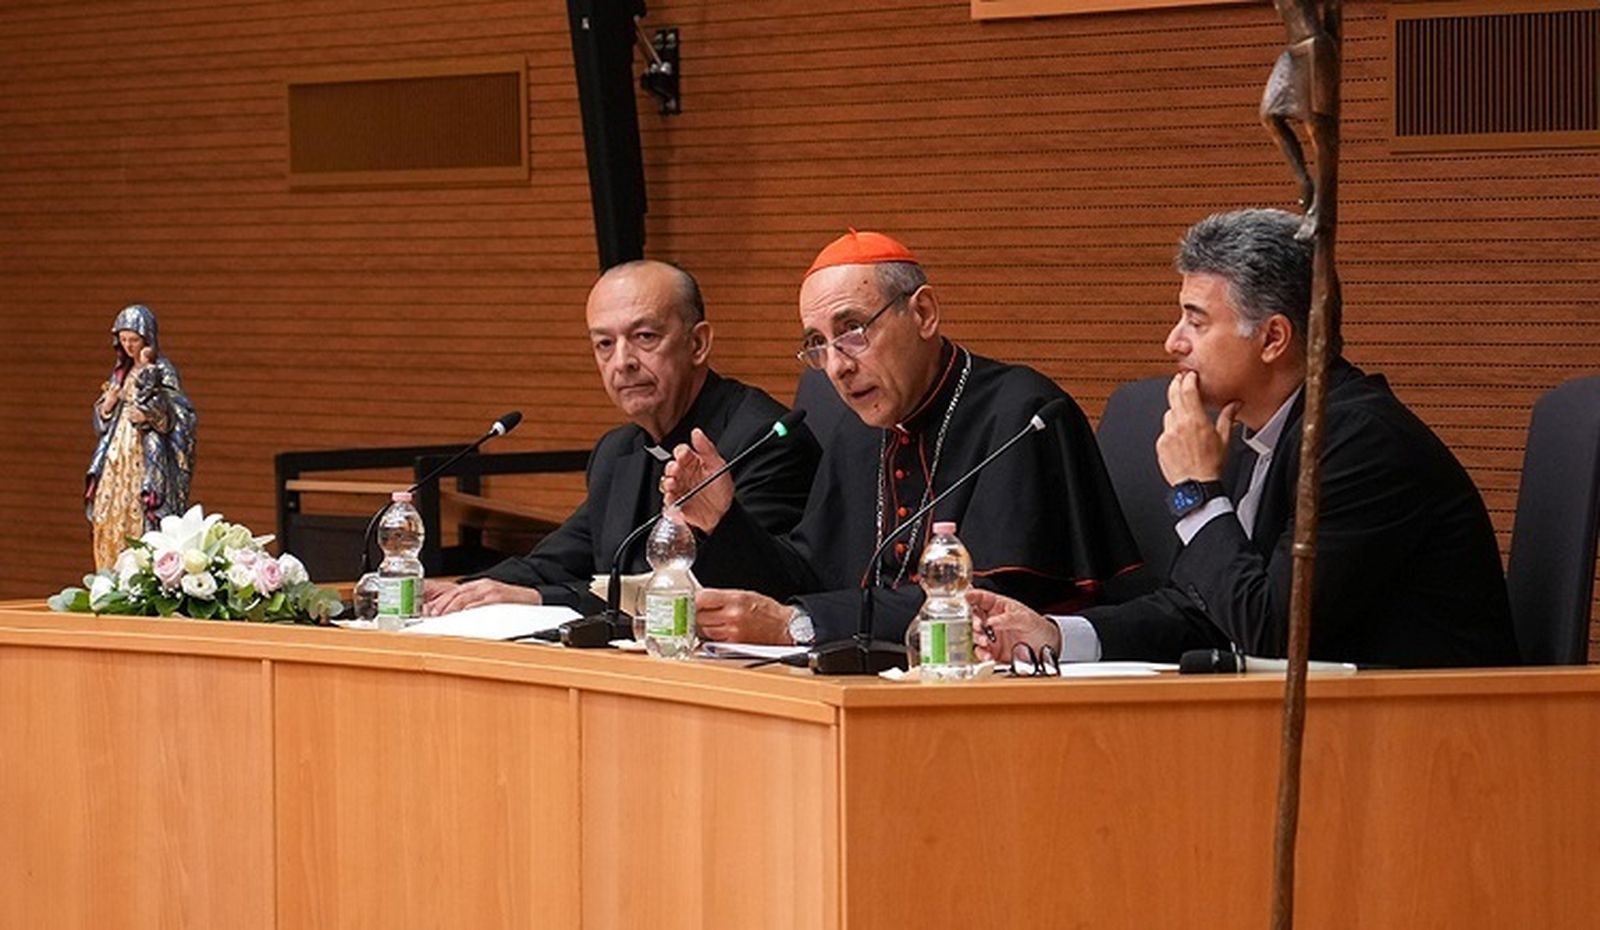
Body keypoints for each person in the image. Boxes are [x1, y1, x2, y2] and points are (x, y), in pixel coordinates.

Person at [969, 208, 1520, 668]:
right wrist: (1054, 635)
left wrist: (1195, 491)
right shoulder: (1263, 430)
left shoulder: (1359, 443)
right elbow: (1207, 609)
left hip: (1433, 739)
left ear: (1273, 338)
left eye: (1196, 321)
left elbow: (1270, 631)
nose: (1172, 343)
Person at [662, 230, 1139, 647]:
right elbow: (809, 578)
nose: (836, 367)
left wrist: (800, 626)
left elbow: (994, 605)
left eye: (852, 331)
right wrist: (724, 521)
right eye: (818, 344)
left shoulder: (1022, 415)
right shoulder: (858, 433)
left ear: (924, 314)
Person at [423, 260, 820, 616]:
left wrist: (542, 599)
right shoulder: (617, 452)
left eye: (645, 337)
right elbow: (556, 561)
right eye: (604, 344)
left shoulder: (765, 440)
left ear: (697, 344)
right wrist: (459, 592)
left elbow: (729, 592)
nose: (622, 362)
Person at [86, 304, 198, 570]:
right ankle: (110, 568)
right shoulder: (120, 373)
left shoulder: (162, 370)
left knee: (141, 504)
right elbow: (102, 417)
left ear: (147, 339)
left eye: (134, 340)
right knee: (108, 508)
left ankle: (139, 570)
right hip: (116, 452)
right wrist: (107, 407)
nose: (128, 346)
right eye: (123, 340)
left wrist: (149, 415)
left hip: (146, 451)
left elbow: (181, 414)